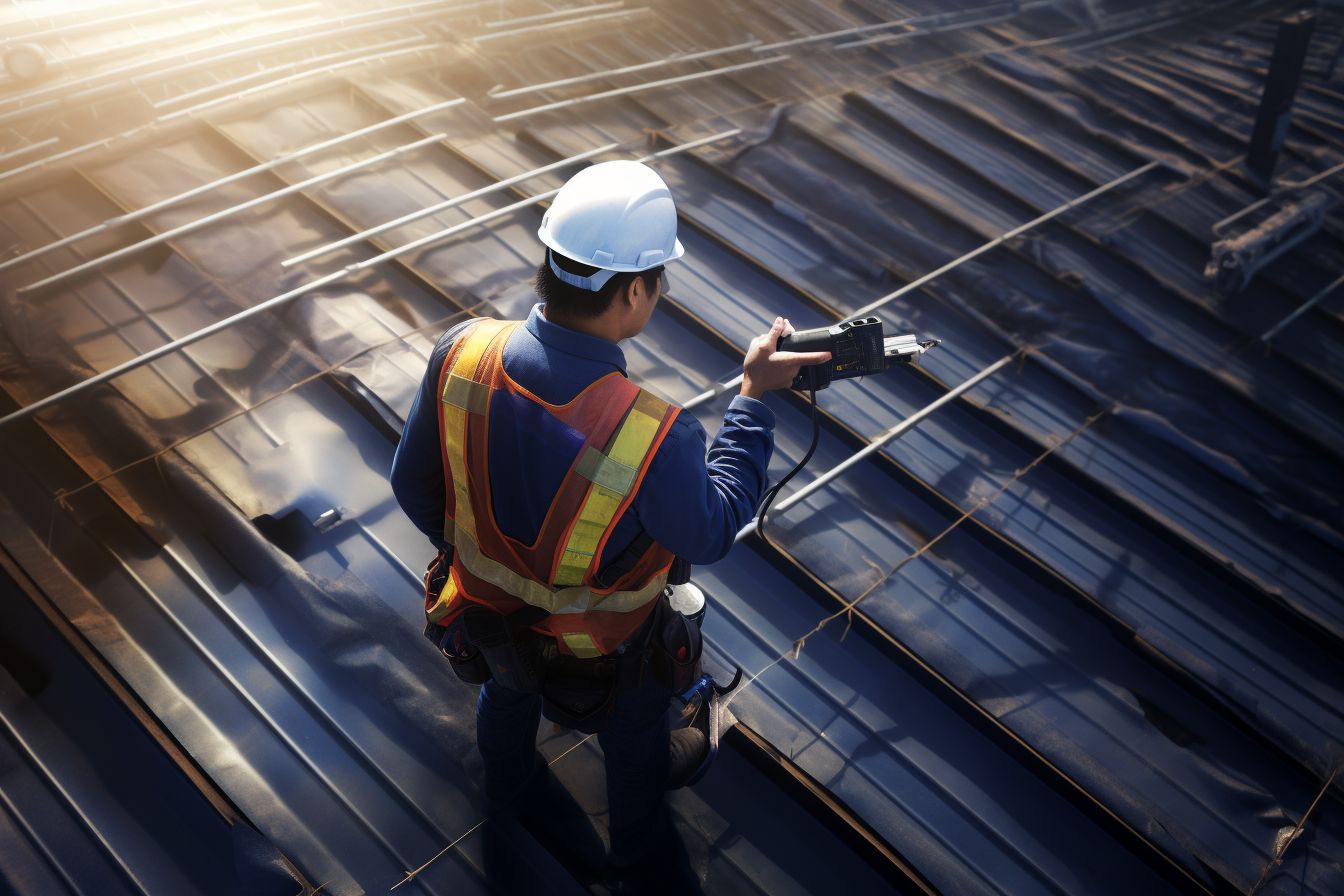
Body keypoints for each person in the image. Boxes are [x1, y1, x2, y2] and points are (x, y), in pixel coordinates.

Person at [389, 159, 829, 873]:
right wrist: (752, 399)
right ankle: (641, 860)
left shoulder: (462, 352)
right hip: (608, 654)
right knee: (635, 756)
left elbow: (413, 487)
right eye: (659, 280)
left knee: (505, 703)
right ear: (633, 290)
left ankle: (505, 788)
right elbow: (710, 529)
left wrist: (490, 560)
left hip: (490, 622)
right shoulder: (654, 432)